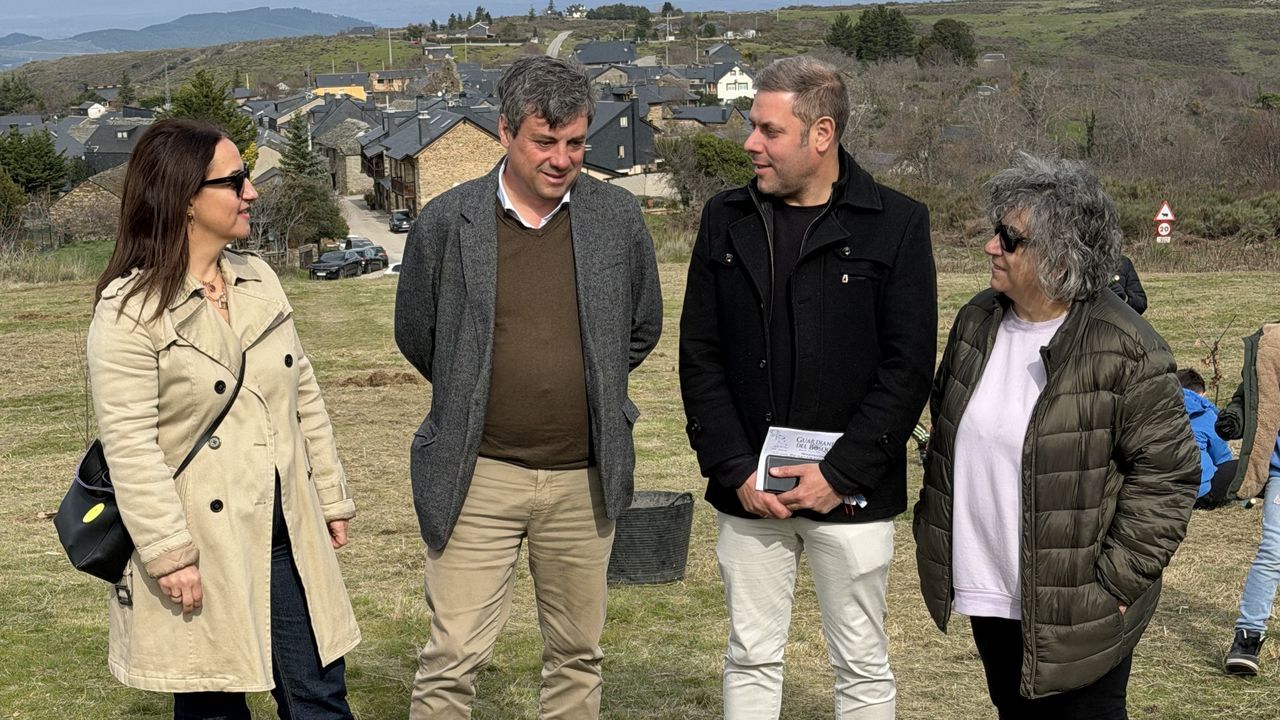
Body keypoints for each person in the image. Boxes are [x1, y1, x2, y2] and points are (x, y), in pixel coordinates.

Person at [394, 55, 663, 720]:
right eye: (545, 141)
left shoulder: (618, 219)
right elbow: (419, 333)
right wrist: (475, 387)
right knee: (451, 658)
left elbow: (641, 326)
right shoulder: (447, 222)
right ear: (505, 131)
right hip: (477, 474)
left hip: (583, 479)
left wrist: (584, 378)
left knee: (577, 656)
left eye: (576, 142)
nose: (562, 158)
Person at [679, 56, 936, 719]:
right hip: (748, 492)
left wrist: (841, 472)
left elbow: (907, 368)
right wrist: (735, 467)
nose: (750, 144)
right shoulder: (724, 219)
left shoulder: (898, 223)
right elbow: (699, 355)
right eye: (752, 127)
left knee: (861, 664)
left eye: (768, 130)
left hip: (851, 493)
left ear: (821, 135)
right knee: (750, 655)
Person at [87, 118, 360, 718]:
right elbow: (129, 446)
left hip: (288, 532)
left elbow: (302, 394)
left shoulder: (259, 279)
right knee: (214, 707)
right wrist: (168, 552)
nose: (251, 192)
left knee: (320, 700)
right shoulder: (128, 312)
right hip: (201, 543)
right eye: (235, 180)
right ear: (186, 198)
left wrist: (331, 496)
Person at [914, 153, 1199, 719]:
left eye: (1009, 239)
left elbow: (1169, 474)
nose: (991, 247)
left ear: (1060, 255)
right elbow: (947, 424)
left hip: (1081, 605)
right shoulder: (977, 320)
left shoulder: (1126, 344)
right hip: (990, 587)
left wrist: (1117, 583)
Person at [1214, 322, 1280, 675]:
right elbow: (1250, 396)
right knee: (1273, 550)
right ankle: (1248, 636)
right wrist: (1233, 418)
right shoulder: (1271, 345)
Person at [1176, 367, 1236, 508]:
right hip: (1201, 493)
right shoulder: (1205, 414)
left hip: (1165, 491)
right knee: (1244, 466)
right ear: (1201, 394)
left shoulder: (1156, 412)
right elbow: (1221, 457)